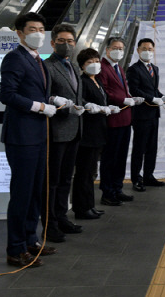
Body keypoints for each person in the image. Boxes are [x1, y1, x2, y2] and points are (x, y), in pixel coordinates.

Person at [0, 12, 57, 267]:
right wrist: (39, 107)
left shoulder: (38, 59)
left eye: (42, 29)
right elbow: (7, 95)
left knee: (36, 191)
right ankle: (15, 248)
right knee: (22, 193)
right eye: (32, 29)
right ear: (20, 33)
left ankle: (30, 240)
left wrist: (53, 101)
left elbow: (37, 91)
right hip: (22, 136)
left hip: (39, 135)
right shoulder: (15, 57)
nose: (38, 33)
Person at [42, 24, 85, 243]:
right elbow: (43, 95)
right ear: (52, 43)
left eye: (70, 41)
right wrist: (54, 101)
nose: (66, 45)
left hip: (74, 130)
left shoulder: (74, 67)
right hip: (56, 131)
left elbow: (77, 96)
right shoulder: (46, 66)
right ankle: (49, 224)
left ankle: (61, 217)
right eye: (61, 41)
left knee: (66, 178)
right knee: (52, 181)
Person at [72, 48, 117, 220]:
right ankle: (81, 208)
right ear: (82, 65)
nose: (94, 64)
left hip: (98, 132)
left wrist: (109, 108)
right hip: (87, 134)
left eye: (96, 61)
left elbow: (103, 101)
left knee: (91, 171)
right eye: (89, 62)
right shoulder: (82, 81)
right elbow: (80, 101)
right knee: (83, 172)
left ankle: (90, 205)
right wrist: (91, 106)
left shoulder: (97, 81)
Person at [97, 37, 143, 206]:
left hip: (125, 119)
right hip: (113, 120)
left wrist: (132, 98)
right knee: (110, 157)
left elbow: (122, 90)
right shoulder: (102, 68)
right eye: (115, 48)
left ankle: (117, 188)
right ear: (107, 49)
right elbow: (105, 92)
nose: (119, 51)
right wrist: (123, 100)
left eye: (121, 48)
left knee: (121, 157)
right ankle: (107, 192)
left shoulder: (119, 68)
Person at [127, 38, 165, 192]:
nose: (148, 51)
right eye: (144, 48)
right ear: (138, 50)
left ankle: (148, 175)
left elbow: (154, 89)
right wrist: (152, 99)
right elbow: (134, 90)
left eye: (150, 49)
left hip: (154, 114)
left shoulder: (155, 69)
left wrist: (162, 97)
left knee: (152, 147)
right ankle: (136, 179)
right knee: (139, 148)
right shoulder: (133, 69)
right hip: (141, 115)